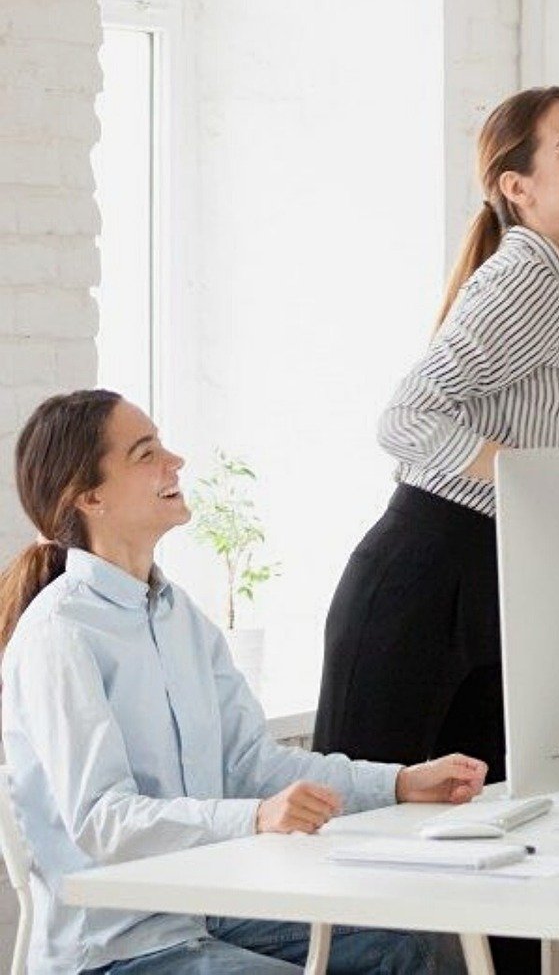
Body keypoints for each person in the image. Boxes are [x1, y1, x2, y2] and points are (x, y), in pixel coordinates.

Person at [0, 390, 485, 973]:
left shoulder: (182, 619)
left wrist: (402, 783)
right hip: (115, 948)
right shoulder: (60, 634)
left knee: (403, 944)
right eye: (145, 452)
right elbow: (101, 820)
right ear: (90, 496)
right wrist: (254, 817)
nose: (174, 461)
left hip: (208, 912)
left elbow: (256, 766)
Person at [313, 85, 559, 975]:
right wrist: (523, 475)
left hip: (487, 583)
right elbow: (404, 416)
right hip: (421, 579)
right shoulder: (524, 275)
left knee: (501, 849)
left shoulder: (555, 285)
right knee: (364, 864)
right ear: (517, 187)